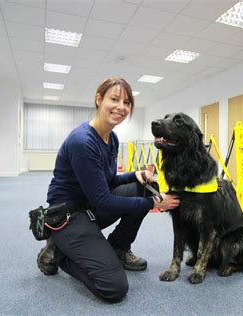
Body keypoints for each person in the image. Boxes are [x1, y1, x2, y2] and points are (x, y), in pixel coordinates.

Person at [37, 77, 181, 303]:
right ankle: (59, 253)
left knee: (143, 187)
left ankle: (118, 248)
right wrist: (154, 204)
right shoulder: (83, 142)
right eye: (114, 99)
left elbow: (109, 180)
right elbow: (103, 200)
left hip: (90, 206)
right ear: (98, 99)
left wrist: (134, 175)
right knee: (114, 287)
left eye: (126, 102)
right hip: (69, 216)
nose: (121, 107)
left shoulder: (111, 137)